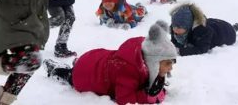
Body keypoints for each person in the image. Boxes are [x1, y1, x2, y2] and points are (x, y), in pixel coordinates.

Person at [43, 20, 177, 105]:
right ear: (153, 62)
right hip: (85, 75)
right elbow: (124, 100)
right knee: (71, 75)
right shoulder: (128, 70)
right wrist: (145, 95)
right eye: (167, 63)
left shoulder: (145, 50)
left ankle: (76, 64)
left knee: (86, 66)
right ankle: (56, 70)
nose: (170, 68)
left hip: (95, 59)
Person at [170, 3, 238, 56]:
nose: (175, 30)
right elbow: (174, 43)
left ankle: (234, 28)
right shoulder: (174, 28)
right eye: (174, 26)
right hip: (213, 23)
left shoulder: (202, 31)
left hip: (227, 31)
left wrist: (179, 51)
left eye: (179, 27)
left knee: (230, 30)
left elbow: (202, 49)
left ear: (188, 26)